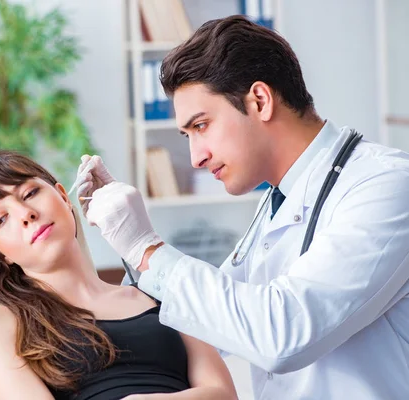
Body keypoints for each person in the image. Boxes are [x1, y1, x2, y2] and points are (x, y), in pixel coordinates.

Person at [76, 15, 409, 400]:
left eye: (200, 126)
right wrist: (129, 248)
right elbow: (215, 323)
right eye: (187, 135)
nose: (195, 157)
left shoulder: (386, 185)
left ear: (260, 101)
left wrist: (146, 248)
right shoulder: (276, 200)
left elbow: (282, 334)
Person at [0, 150, 237, 400]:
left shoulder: (158, 292)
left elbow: (224, 393)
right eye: (2, 219)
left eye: (30, 194)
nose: (26, 214)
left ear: (65, 198)